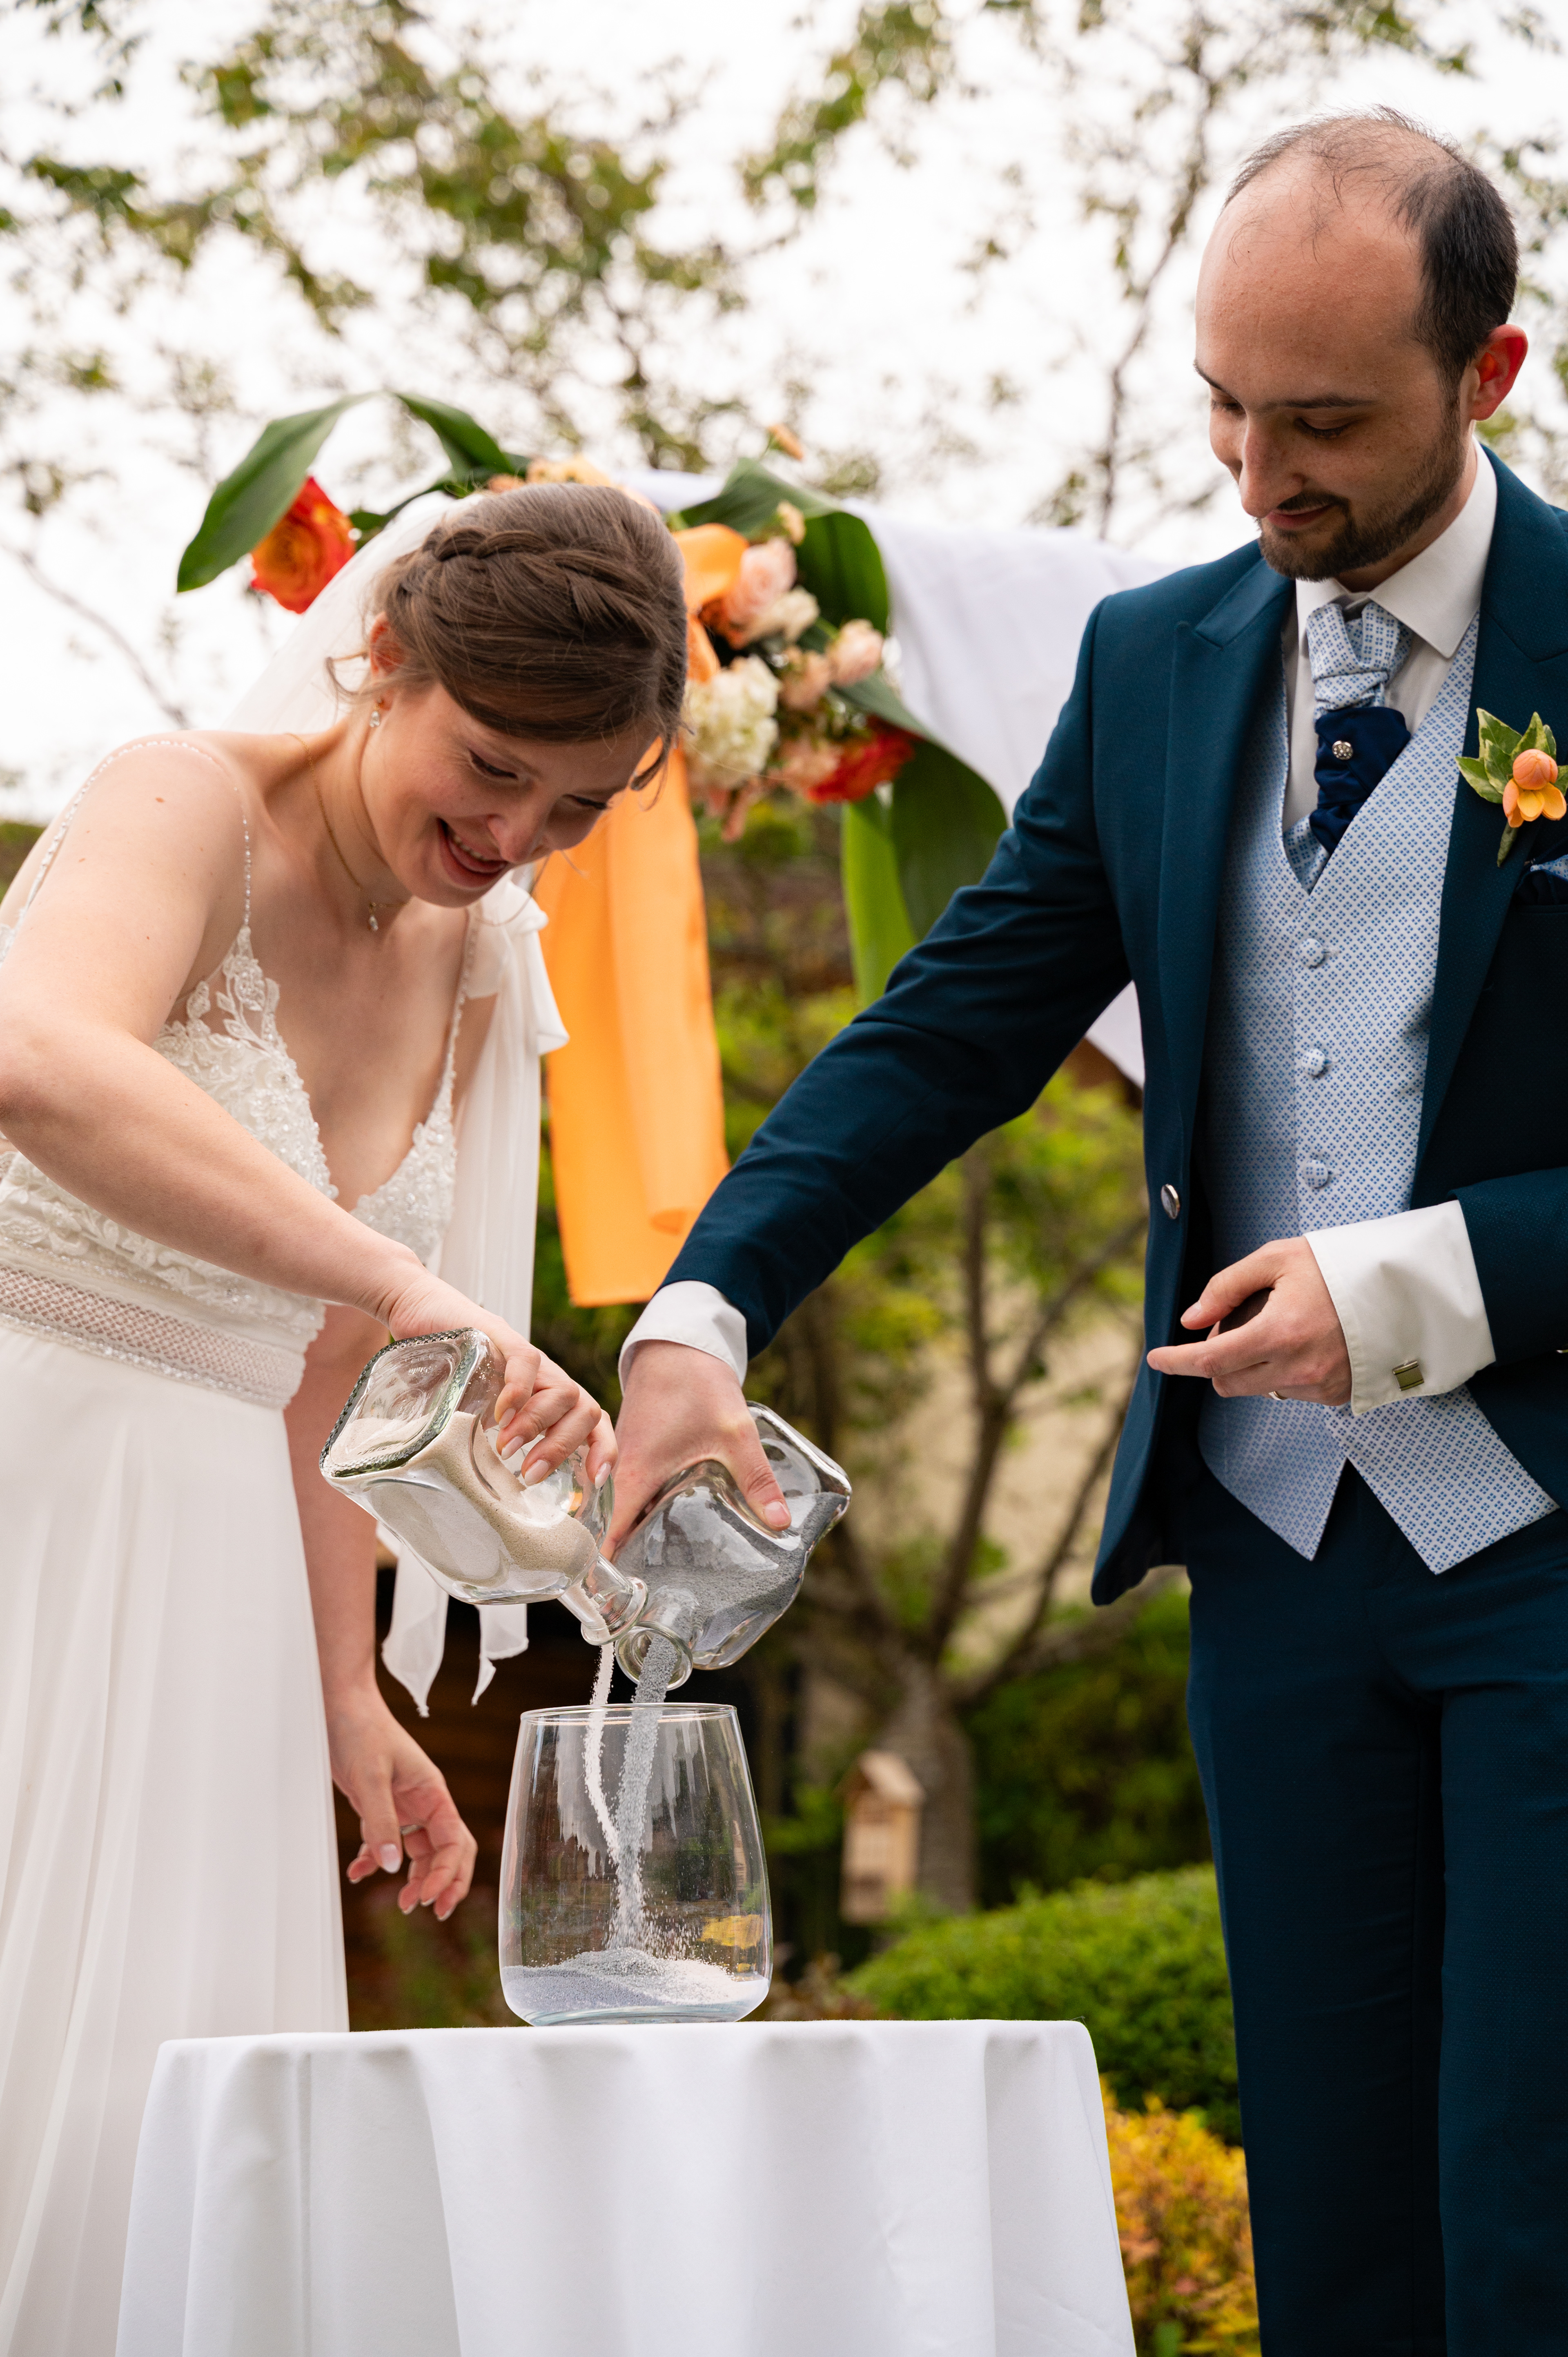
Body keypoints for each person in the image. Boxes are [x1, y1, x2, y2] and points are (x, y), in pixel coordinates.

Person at [612, 111, 1566, 2351]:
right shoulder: (1153, 660)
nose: (1258, 468)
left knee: (1534, 2220)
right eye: (1225, 401)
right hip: (1274, 1566)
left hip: (1548, 1540)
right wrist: (706, 1293)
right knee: (1341, 2221)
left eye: (1325, 419)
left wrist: (1419, 1281)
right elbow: (947, 1025)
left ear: (1490, 370)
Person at [0, 480, 686, 2353]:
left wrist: (341, 1688)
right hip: (25, 1479)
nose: (514, 833)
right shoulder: (185, 804)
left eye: (576, 807)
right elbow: (36, 1056)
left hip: (217, 1565)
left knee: (155, 2107)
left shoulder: (477, 963)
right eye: (489, 765)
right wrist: (402, 1280)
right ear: (378, 658)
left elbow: (321, 1377)